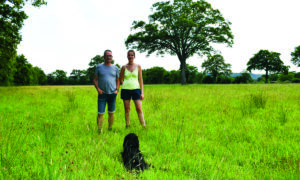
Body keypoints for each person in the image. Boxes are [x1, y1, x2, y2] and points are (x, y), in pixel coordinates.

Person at [94, 50, 119, 134]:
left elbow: (118, 80)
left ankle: (110, 128)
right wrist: (98, 89)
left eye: (110, 56)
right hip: (102, 94)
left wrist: (117, 90)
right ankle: (99, 130)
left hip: (112, 94)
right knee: (100, 113)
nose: (108, 57)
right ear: (103, 57)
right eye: (107, 55)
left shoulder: (115, 68)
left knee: (111, 113)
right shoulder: (99, 67)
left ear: (112, 57)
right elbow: (95, 80)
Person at [119, 50, 146, 128]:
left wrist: (142, 92)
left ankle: (143, 126)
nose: (130, 56)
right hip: (125, 90)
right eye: (129, 55)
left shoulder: (138, 66)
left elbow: (140, 79)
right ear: (127, 56)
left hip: (136, 90)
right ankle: (127, 125)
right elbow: (120, 79)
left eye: (132, 55)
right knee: (127, 109)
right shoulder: (124, 67)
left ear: (134, 56)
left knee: (139, 109)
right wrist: (124, 84)